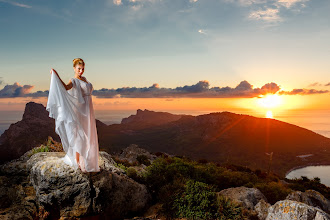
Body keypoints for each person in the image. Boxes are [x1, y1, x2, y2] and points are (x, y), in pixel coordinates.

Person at [46, 58, 100, 172]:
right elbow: (65, 87)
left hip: (88, 111)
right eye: (79, 69)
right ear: (74, 68)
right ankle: (77, 161)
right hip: (80, 110)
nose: (81, 71)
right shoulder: (74, 80)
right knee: (78, 135)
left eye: (83, 69)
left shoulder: (84, 79)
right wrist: (56, 75)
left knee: (88, 133)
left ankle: (85, 159)